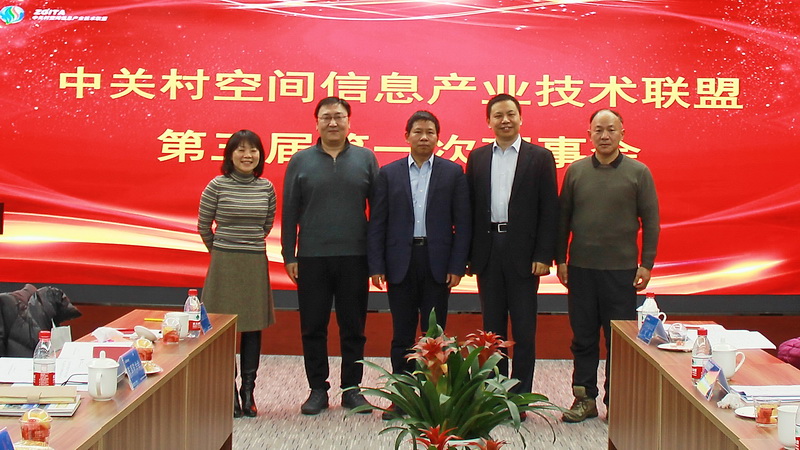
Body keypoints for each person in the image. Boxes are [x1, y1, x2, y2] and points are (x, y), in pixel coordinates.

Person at [556, 108, 660, 422]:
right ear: (589, 134)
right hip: (581, 269)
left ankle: (618, 401)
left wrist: (646, 264)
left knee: (619, 339)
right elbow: (562, 221)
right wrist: (561, 260)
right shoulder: (575, 171)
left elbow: (651, 222)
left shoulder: (638, 172)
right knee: (583, 337)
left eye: (611, 130)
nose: (604, 136)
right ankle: (584, 398)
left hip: (621, 271)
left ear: (622, 134)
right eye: (598, 130)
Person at [367, 110, 471, 420]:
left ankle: (433, 397)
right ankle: (401, 396)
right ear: (407, 136)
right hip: (400, 261)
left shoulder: (453, 173)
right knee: (401, 334)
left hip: (437, 262)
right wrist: (376, 265)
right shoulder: (389, 173)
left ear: (438, 138)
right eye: (418, 132)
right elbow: (378, 223)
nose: (424, 137)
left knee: (434, 334)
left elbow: (463, 223)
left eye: (430, 132)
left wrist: (458, 265)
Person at [281, 96, 379, 415]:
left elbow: (378, 213)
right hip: (312, 257)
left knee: (354, 328)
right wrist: (289, 255)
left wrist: (376, 259)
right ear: (317, 122)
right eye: (326, 117)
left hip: (355, 256)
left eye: (339, 116)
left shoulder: (366, 159)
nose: (333, 122)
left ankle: (352, 390)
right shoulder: (300, 160)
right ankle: (317, 390)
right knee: (313, 327)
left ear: (349, 122)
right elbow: (290, 211)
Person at [465, 94, 560, 412]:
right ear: (488, 121)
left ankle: (519, 396)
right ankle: (494, 394)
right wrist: (469, 255)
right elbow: (470, 210)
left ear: (521, 118)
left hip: (524, 253)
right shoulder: (477, 158)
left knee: (523, 329)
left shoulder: (540, 157)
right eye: (498, 115)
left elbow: (549, 210)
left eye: (510, 114)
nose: (504, 120)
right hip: (488, 249)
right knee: (491, 330)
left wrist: (544, 255)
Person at [197, 129, 277, 418]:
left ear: (260, 156)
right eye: (241, 149)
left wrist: (246, 244)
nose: (247, 155)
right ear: (230, 155)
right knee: (223, 329)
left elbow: (266, 225)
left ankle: (248, 391)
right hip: (224, 263)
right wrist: (221, 251)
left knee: (253, 327)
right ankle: (228, 390)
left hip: (254, 261)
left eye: (253, 150)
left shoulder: (266, 188)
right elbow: (204, 226)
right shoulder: (217, 185)